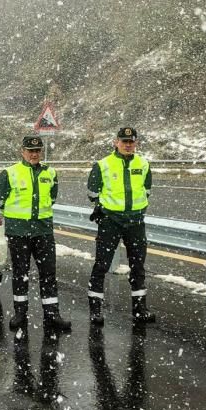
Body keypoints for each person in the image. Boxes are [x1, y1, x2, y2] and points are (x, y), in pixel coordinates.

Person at [0, 134, 72, 335]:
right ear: (22, 151)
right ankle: (20, 314)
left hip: (43, 231)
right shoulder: (9, 173)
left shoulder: (50, 173)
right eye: (30, 150)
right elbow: (0, 201)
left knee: (48, 274)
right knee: (20, 274)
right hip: (18, 233)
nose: (34, 154)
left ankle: (52, 314)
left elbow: (51, 198)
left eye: (37, 151)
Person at [86, 127, 156, 324]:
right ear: (115, 142)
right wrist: (103, 209)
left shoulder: (143, 164)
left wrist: (136, 210)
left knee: (138, 266)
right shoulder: (103, 165)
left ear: (136, 143)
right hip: (111, 222)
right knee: (102, 265)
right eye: (124, 141)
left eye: (131, 142)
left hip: (135, 222)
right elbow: (92, 192)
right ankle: (95, 309)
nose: (127, 145)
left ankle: (140, 309)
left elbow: (147, 190)